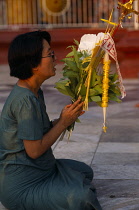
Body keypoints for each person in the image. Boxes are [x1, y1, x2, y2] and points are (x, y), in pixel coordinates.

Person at [0, 30, 102, 210]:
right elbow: (34, 151)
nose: (55, 58)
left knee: (85, 171)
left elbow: (41, 132)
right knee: (83, 198)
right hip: (23, 185)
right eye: (50, 54)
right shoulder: (25, 100)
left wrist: (66, 118)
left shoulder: (34, 91)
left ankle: (60, 188)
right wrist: (63, 122)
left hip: (44, 169)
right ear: (34, 64)